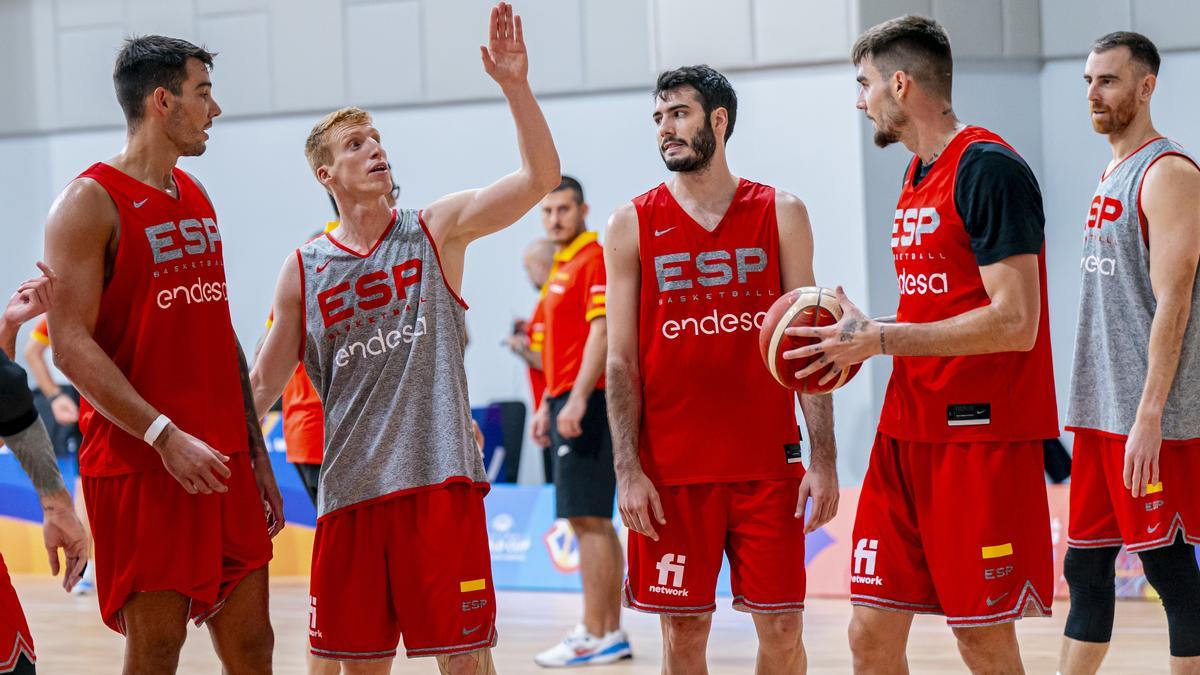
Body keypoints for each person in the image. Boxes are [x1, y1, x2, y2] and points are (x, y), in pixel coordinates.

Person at [249, 3, 559, 672]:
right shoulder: (303, 268)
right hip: (351, 492)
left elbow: (539, 179)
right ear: (325, 175)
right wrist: (225, 464)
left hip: (439, 482)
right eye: (355, 144)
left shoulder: (434, 229)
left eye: (377, 139)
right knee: (356, 665)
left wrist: (515, 88)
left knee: (466, 659)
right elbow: (261, 388)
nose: (375, 149)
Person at [790, 16, 1058, 673]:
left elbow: (1015, 321)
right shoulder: (917, 170)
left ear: (901, 84)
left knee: (982, 638)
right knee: (869, 635)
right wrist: (863, 329)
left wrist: (879, 337)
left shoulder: (989, 168)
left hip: (979, 437)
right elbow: (943, 305)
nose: (860, 100)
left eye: (865, 83)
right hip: (907, 428)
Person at [42, 35, 282, 674]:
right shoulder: (87, 203)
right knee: (156, 650)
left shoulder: (196, 193)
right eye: (203, 93)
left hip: (224, 457)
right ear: (161, 101)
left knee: (255, 644)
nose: (216, 109)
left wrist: (255, 451)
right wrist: (163, 435)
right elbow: (68, 346)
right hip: (144, 462)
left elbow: (217, 329)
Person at [606, 65, 838, 674]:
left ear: (718, 120)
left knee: (784, 629)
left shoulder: (781, 211)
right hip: (672, 471)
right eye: (657, 118)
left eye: (678, 114)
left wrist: (825, 459)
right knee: (684, 634)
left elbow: (809, 343)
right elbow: (620, 360)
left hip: (768, 464)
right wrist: (627, 471)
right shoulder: (630, 222)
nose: (665, 129)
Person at [1060, 31, 1200, 674]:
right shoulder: (1111, 168)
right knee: (1085, 565)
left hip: (1152, 419)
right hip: (1101, 411)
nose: (1093, 93)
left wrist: (1149, 415)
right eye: (1089, 80)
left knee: (1171, 573)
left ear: (1146, 88)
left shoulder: (1168, 173)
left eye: (1108, 81)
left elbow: (1174, 305)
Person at [532, 177, 631, 667]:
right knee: (586, 519)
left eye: (563, 209)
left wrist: (571, 401)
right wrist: (544, 405)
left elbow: (601, 332)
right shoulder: (562, 264)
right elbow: (556, 346)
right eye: (547, 211)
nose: (554, 219)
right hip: (564, 400)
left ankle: (600, 631)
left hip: (587, 402)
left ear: (583, 209)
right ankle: (602, 629)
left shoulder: (592, 258)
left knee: (590, 519)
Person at [0, 264, 92, 675]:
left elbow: (4, 397)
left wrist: (7, 327)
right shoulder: (68, 310)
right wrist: (55, 395)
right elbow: (9, 400)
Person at [22, 317, 96, 595]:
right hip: (78, 396)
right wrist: (54, 397)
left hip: (114, 390)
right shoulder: (63, 302)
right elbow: (31, 351)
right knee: (83, 481)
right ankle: (84, 568)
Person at [504, 238, 555, 482]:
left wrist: (518, 349)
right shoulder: (546, 301)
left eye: (528, 268)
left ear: (542, 265)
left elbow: (550, 360)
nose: (527, 275)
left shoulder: (551, 301)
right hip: (550, 408)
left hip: (556, 408)